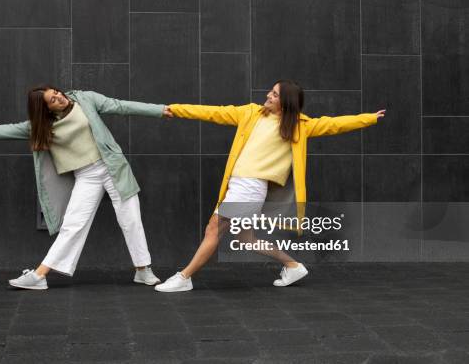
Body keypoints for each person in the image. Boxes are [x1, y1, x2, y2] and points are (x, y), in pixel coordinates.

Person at [155, 79, 386, 292]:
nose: (268, 95)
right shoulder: (250, 113)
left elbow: (334, 125)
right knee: (245, 240)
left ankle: (184, 278)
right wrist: (175, 109)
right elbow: (213, 112)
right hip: (240, 185)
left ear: (285, 103)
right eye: (271, 91)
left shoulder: (298, 127)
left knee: (213, 229)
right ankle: (293, 266)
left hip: (250, 188)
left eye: (274, 94)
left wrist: (369, 118)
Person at [0, 86, 173, 290]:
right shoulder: (41, 126)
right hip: (86, 175)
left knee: (131, 218)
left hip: (112, 166)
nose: (58, 97)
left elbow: (121, 105)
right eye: (52, 99)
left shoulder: (86, 99)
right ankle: (39, 276)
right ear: (45, 109)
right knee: (73, 225)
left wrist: (160, 110)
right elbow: (7, 130)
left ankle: (143, 270)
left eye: (56, 92)